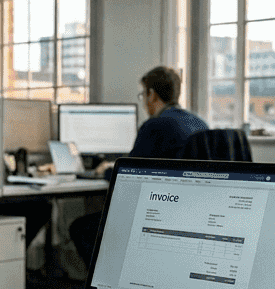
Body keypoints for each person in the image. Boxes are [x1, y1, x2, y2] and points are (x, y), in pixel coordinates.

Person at [68, 66, 207, 265]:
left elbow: (128, 178)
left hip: (156, 217)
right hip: (190, 216)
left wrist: (106, 171)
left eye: (143, 94)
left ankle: (106, 281)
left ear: (151, 94)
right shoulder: (199, 123)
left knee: (80, 228)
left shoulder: (155, 125)